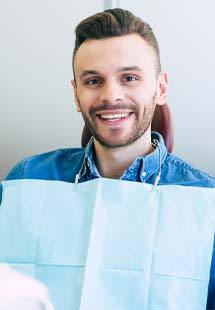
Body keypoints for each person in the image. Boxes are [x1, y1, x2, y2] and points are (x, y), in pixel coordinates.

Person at [1, 8, 215, 308]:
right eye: (93, 81)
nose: (110, 96)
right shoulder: (25, 181)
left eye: (129, 77)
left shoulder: (207, 202)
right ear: (76, 95)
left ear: (161, 87)